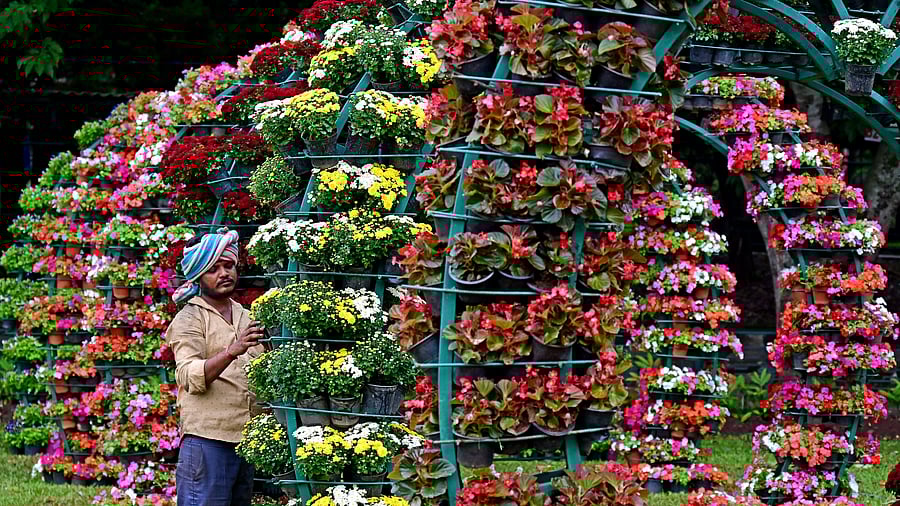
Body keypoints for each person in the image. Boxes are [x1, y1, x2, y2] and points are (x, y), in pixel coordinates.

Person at [166, 228, 265, 506]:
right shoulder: (189, 319)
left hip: (246, 439)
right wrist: (232, 351)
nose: (224, 274)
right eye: (214, 268)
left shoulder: (248, 316)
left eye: (229, 265)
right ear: (198, 275)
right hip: (208, 440)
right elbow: (188, 374)